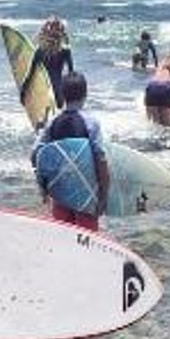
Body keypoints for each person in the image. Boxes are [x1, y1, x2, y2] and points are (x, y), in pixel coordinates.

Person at [32, 71, 111, 230]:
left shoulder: (53, 122)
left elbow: (35, 154)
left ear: (62, 94)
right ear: (85, 94)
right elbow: (100, 160)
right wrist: (104, 195)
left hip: (60, 194)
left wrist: (43, 188)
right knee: (86, 241)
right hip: (85, 195)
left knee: (63, 239)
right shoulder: (91, 123)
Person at [21, 16, 74, 110]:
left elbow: (30, 75)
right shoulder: (65, 51)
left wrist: (23, 92)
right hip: (59, 91)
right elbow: (71, 76)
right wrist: (72, 97)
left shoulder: (40, 51)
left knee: (45, 119)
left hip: (43, 90)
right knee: (58, 112)